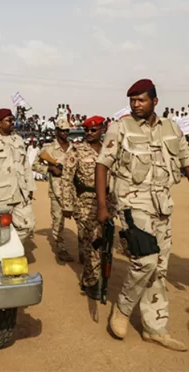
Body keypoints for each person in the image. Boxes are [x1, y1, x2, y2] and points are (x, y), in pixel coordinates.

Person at [95, 79, 189, 351]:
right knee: (145, 260)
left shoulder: (171, 128)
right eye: (132, 100)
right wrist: (102, 206)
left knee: (159, 268)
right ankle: (123, 309)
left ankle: (155, 329)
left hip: (162, 205)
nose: (136, 105)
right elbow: (102, 165)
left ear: (155, 101)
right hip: (132, 204)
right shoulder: (120, 128)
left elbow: (186, 163)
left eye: (141, 100)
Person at [60, 116, 112, 300]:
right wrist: (67, 204)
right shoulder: (77, 150)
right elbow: (67, 178)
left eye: (93, 130)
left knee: (105, 242)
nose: (89, 133)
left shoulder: (109, 149)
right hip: (85, 202)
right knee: (92, 242)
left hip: (107, 202)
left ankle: (96, 277)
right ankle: (91, 282)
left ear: (102, 130)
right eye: (87, 130)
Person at [0, 108, 36, 240]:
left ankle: (13, 246)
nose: (12, 122)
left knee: (28, 226)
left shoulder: (18, 140)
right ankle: (5, 249)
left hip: (20, 193)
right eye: (9, 120)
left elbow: (25, 166)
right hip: (0, 196)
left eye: (13, 120)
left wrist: (30, 187)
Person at [33, 119, 74, 263]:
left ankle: (83, 248)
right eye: (62, 130)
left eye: (67, 130)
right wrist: (50, 168)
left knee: (81, 219)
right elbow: (35, 165)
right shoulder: (48, 148)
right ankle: (60, 247)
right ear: (56, 131)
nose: (65, 133)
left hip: (73, 189)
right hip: (57, 189)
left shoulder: (73, 148)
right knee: (58, 219)